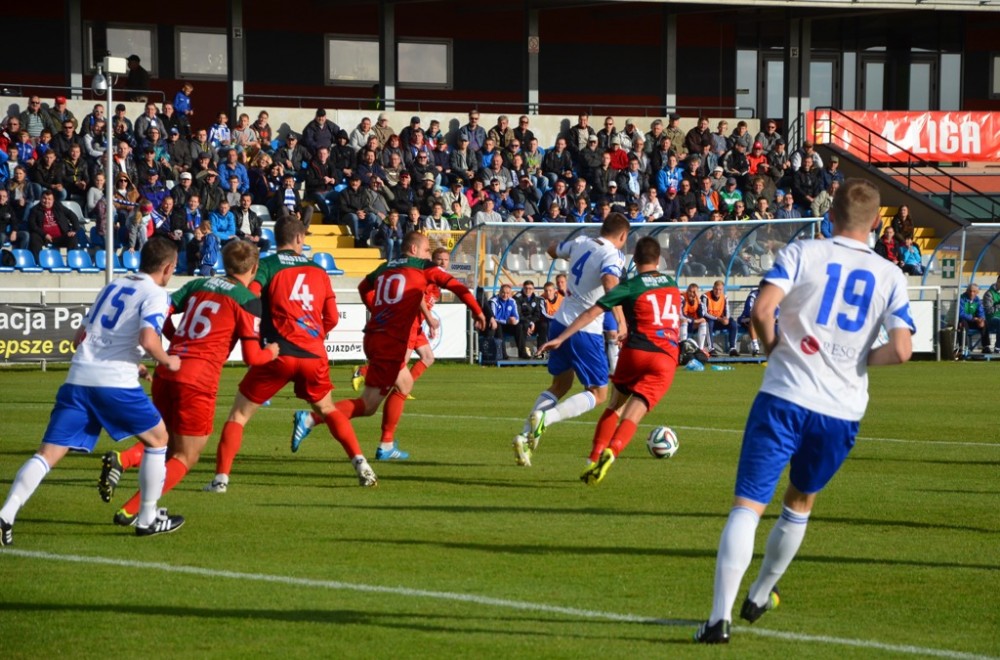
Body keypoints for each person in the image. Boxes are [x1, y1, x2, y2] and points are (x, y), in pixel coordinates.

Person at [694, 178, 914, 644]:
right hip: (841, 409)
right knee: (799, 503)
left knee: (747, 507)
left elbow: (761, 311)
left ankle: (718, 619)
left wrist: (774, 348)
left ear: (829, 215)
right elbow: (901, 350)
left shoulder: (803, 252)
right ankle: (760, 594)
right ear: (877, 222)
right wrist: (858, 360)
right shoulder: (891, 275)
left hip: (785, 395)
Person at [0, 238, 185, 545]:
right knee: (159, 440)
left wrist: (134, 363)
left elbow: (80, 338)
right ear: (167, 268)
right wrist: (168, 360)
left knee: (47, 454)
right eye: (174, 268)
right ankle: (148, 518)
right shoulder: (155, 294)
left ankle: (6, 514)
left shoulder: (113, 286)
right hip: (115, 383)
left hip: (79, 378)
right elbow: (148, 339)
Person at [98, 241, 281, 525]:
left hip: (168, 369)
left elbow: (162, 311)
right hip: (198, 379)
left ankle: (124, 461)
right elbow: (252, 358)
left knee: (162, 442)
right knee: (186, 456)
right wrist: (271, 352)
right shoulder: (247, 300)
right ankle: (132, 511)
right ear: (254, 268)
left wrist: (175, 339)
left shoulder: (198, 284)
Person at [200, 219, 369, 492]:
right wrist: (313, 336)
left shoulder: (266, 265)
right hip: (313, 354)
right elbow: (332, 318)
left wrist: (253, 332)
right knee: (327, 409)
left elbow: (249, 296)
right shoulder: (318, 270)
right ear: (299, 238)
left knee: (239, 416)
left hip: (277, 352)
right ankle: (361, 463)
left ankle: (221, 480)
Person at [303, 232, 485, 474]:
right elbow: (457, 286)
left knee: (405, 384)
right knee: (368, 405)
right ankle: (313, 419)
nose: (428, 256)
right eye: (426, 251)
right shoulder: (421, 267)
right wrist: (477, 311)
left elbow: (363, 287)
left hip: (376, 334)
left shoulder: (385, 266)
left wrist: (376, 309)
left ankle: (386, 444)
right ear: (414, 249)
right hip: (392, 339)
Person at [539, 237, 681, 484]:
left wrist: (561, 337)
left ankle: (593, 458)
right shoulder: (672, 284)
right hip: (666, 355)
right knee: (635, 411)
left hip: (636, 351)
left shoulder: (631, 285)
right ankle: (612, 451)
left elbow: (591, 312)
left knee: (614, 405)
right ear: (659, 260)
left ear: (634, 259)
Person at [512, 214, 629, 467]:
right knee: (599, 393)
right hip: (585, 329)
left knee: (560, 385)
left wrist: (571, 255)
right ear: (622, 236)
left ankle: (524, 437)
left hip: (560, 323)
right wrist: (621, 320)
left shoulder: (581, 242)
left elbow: (552, 249)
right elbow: (611, 284)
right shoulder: (613, 255)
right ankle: (547, 419)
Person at [703, 280, 739, 356]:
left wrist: (726, 319)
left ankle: (732, 348)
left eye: (720, 289)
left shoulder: (725, 297)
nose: (718, 291)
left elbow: (727, 311)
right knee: (709, 323)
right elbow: (704, 313)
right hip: (710, 320)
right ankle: (710, 348)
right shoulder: (705, 296)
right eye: (716, 289)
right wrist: (718, 318)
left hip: (720, 321)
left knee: (733, 323)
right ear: (713, 288)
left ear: (722, 290)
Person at [956, 282, 986, 357]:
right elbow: (960, 313)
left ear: (977, 292)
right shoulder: (961, 299)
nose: (971, 293)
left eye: (974, 291)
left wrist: (981, 319)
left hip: (974, 321)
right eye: (970, 291)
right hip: (964, 320)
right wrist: (973, 318)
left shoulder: (977, 300)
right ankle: (964, 347)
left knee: (984, 324)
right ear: (967, 291)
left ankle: (986, 346)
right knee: (962, 324)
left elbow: (981, 311)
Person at [982, 276, 1000, 354]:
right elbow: (988, 310)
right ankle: (998, 348)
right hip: (991, 319)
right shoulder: (989, 294)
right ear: (997, 282)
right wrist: (998, 306)